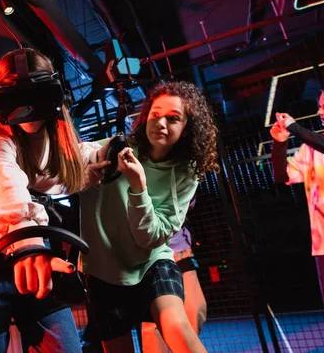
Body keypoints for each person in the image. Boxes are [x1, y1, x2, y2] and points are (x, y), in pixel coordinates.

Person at [0, 47, 107, 352]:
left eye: (38, 96)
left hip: (39, 263)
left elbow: (71, 164)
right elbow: (1, 181)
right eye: (16, 99)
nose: (28, 109)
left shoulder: (57, 137)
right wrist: (27, 241)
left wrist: (111, 153)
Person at [80, 80, 219, 352]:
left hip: (152, 261)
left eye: (173, 118)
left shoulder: (187, 172)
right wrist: (84, 167)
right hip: (103, 268)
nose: (161, 123)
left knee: (179, 327)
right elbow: (74, 155)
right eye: (155, 114)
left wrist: (139, 186)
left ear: (188, 127)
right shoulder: (117, 149)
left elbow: (151, 237)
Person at [270, 84, 324, 327]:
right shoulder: (311, 148)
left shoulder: (320, 143)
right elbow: (281, 176)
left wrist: (294, 127)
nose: (319, 111)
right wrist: (279, 143)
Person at [142, 196, 208, 353]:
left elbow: (189, 202)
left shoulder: (182, 177)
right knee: (155, 320)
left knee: (195, 308)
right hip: (152, 255)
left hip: (180, 253)